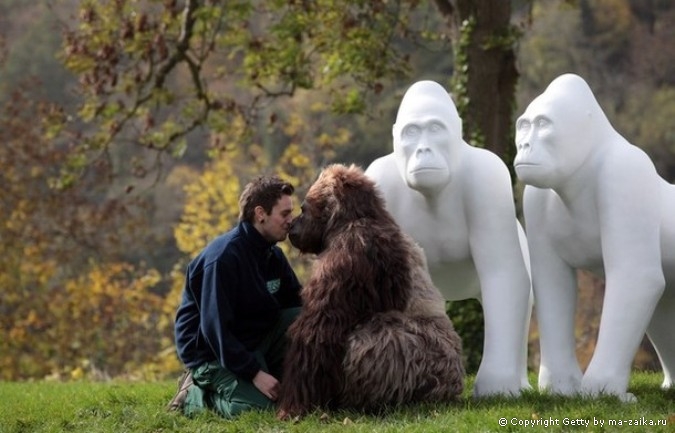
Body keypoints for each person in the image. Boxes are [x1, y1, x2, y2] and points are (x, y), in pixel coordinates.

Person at [167, 175, 302, 418]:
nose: (291, 221)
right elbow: (215, 331)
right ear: (260, 213)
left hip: (252, 340)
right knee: (261, 410)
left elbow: (298, 305)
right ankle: (196, 396)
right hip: (212, 353)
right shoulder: (224, 258)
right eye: (285, 214)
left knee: (303, 318)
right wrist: (255, 374)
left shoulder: (273, 256)